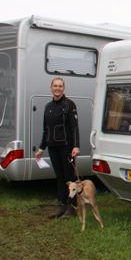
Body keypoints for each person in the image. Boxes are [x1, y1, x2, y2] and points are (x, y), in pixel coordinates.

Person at [34, 77, 80, 219]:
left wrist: (76, 146)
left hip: (67, 147)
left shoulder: (69, 104)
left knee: (69, 177)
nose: (57, 88)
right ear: (51, 88)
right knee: (59, 177)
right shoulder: (48, 107)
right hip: (53, 147)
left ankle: (72, 207)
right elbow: (46, 130)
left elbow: (74, 127)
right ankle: (61, 205)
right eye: (55, 86)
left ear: (63, 88)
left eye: (60, 86)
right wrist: (41, 148)